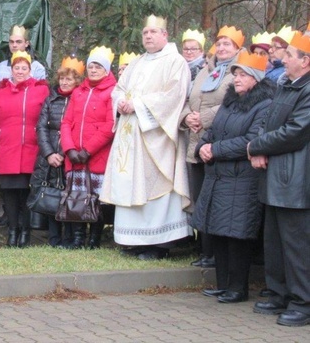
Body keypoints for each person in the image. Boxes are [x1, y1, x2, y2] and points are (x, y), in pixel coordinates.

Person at [100, 15, 192, 260]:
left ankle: (159, 244)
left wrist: (138, 105)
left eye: (153, 32)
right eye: (145, 32)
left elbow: (174, 96)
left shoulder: (176, 62)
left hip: (155, 137)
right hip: (130, 137)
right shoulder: (137, 62)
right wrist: (120, 102)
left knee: (155, 187)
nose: (148, 36)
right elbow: (118, 89)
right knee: (132, 185)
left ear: (165, 35)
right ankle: (134, 240)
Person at [192, 52, 274, 304]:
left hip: (242, 179)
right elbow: (212, 130)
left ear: (256, 79)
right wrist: (203, 147)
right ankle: (223, 284)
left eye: (243, 75)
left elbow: (250, 140)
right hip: (218, 176)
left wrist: (215, 150)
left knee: (236, 234)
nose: (237, 79)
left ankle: (238, 288)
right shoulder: (229, 102)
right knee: (218, 230)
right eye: (236, 74)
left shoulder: (265, 105)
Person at [248, 31, 310, 327]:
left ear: (306, 61)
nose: (283, 59)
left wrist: (257, 146)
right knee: (274, 241)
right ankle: (279, 293)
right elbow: (268, 121)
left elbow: (296, 132)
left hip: (297, 179)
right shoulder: (285, 86)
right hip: (276, 176)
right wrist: (257, 146)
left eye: (290, 55)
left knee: (297, 245)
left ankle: (303, 301)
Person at [180, 26, 244, 269]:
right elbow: (187, 99)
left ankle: (216, 254)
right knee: (200, 199)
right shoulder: (205, 71)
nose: (223, 48)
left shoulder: (237, 72)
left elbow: (233, 102)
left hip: (218, 144)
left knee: (216, 200)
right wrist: (187, 118)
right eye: (220, 43)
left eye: (229, 44)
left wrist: (202, 118)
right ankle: (203, 250)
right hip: (195, 142)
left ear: (237, 48)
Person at [0, 51, 49, 247]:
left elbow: (47, 120)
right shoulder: (1, 91)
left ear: (30, 70)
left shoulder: (41, 90)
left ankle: (25, 232)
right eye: (16, 68)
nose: (20, 72)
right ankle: (13, 231)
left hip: (32, 150)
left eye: (24, 68)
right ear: (11, 70)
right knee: (10, 194)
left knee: (26, 195)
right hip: (7, 150)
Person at [60, 47, 117, 249]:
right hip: (75, 155)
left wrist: (88, 151)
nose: (93, 70)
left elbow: (110, 126)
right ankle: (77, 238)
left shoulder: (113, 92)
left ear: (106, 70)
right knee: (76, 195)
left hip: (96, 155)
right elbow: (66, 122)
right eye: (91, 66)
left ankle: (94, 238)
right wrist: (69, 149)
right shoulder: (78, 91)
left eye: (98, 66)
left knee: (95, 198)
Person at [30, 56, 84, 247]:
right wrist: (49, 153)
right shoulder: (50, 100)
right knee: (51, 195)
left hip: (69, 155)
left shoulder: (79, 100)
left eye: (69, 79)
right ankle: (54, 238)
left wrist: (63, 153)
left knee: (68, 196)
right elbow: (41, 127)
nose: (64, 82)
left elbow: (76, 128)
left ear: (76, 81)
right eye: (62, 79)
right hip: (50, 153)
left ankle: (69, 237)